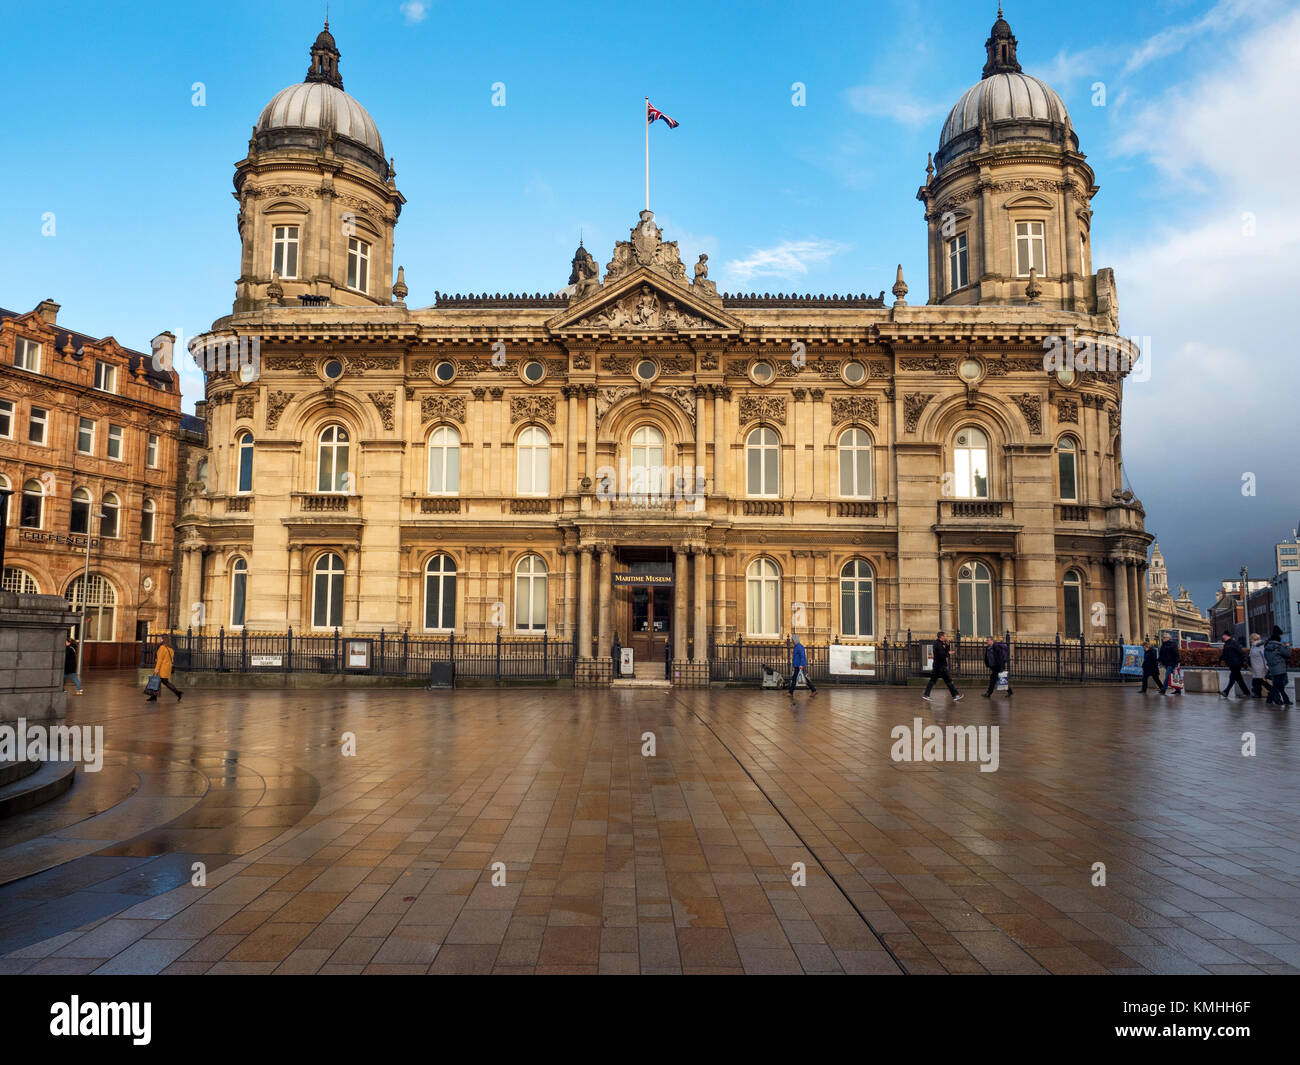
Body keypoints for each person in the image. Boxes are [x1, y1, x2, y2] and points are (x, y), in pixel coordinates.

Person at [923, 631, 963, 701]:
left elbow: (944, 652)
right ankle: (955, 695)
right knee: (948, 681)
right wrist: (949, 653)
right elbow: (942, 655)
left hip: (938, 666)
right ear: (941, 636)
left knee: (935, 681)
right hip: (940, 666)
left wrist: (947, 645)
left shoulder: (940, 643)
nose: (946, 637)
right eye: (945, 636)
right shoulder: (938, 644)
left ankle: (926, 694)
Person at [147, 635, 184, 703]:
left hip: (162, 668)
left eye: (161, 639)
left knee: (162, 682)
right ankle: (153, 697)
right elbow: (171, 660)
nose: (160, 640)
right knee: (160, 682)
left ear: (163, 639)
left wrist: (157, 669)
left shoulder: (162, 648)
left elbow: (160, 660)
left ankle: (178, 693)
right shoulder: (171, 649)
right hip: (167, 668)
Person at [1263, 626, 1292, 708]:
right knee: (1277, 686)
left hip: (1273, 667)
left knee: (1279, 686)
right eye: (1281, 635)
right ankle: (1270, 700)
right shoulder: (1278, 646)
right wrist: (1287, 646)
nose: (1282, 637)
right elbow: (1288, 654)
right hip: (1280, 668)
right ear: (1278, 635)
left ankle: (1285, 700)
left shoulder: (1267, 646)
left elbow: (1267, 657)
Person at [1218, 632, 1250, 698]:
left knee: (1232, 678)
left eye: (1224, 635)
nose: (1223, 637)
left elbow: (1241, 652)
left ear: (1228, 636)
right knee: (1239, 679)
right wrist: (1219, 659)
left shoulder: (1234, 643)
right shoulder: (1226, 644)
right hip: (1231, 664)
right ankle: (1247, 693)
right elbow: (1225, 654)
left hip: (1236, 664)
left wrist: (1244, 661)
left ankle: (1226, 692)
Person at [788, 635, 816, 699]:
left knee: (797, 679)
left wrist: (801, 664)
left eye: (792, 640)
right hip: (797, 665)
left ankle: (790, 692)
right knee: (799, 679)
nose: (792, 641)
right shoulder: (796, 647)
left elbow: (803, 656)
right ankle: (813, 690)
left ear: (795, 640)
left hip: (799, 666)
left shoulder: (800, 647)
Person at [1247, 633, 1272, 699]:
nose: (1250, 640)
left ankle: (1271, 690)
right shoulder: (1253, 646)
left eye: (1251, 639)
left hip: (1260, 667)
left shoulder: (1260, 646)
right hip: (1255, 667)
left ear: (1254, 639)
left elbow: (1264, 657)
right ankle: (1258, 694)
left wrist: (1267, 666)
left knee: (1259, 680)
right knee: (1257, 681)